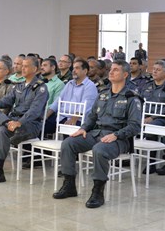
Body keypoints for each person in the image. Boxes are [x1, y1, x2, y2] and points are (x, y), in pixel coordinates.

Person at [52, 60, 142, 208]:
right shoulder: (103, 94)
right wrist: (84, 128)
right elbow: (92, 117)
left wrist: (117, 135)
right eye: (111, 69)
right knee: (68, 143)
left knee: (99, 150)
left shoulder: (132, 98)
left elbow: (135, 126)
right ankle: (69, 185)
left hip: (119, 139)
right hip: (97, 133)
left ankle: (97, 191)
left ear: (125, 74)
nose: (111, 72)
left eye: (116, 70)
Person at [0, 56, 48, 185]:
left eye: (25, 66)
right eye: (21, 65)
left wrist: (19, 122)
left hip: (30, 125)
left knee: (2, 130)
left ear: (34, 69)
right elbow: (7, 99)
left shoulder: (41, 88)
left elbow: (34, 112)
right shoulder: (19, 86)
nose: (22, 68)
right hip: (13, 121)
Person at [44, 58, 98, 136]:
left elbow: (85, 106)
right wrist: (47, 114)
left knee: (69, 134)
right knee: (39, 125)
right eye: (73, 68)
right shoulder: (70, 83)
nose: (73, 70)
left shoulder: (90, 86)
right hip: (62, 117)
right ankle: (34, 147)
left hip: (79, 120)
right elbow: (58, 100)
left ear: (85, 71)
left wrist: (73, 119)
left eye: (77, 68)